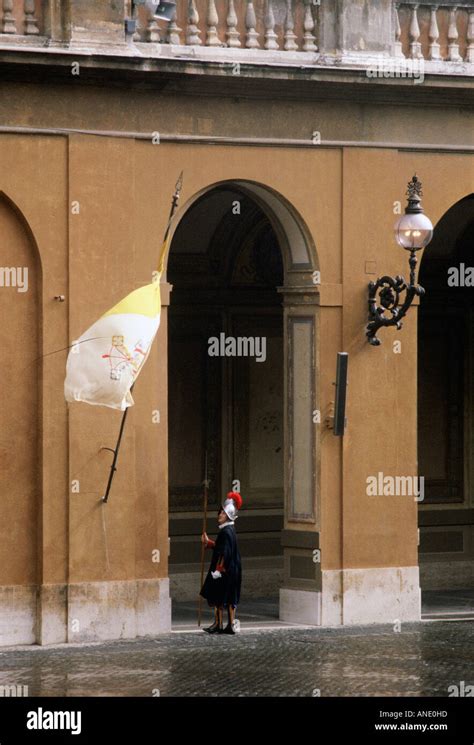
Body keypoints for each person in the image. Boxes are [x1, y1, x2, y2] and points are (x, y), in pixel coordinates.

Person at [200, 491, 242, 634]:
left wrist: (218, 569)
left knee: (221, 596)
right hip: (230, 569)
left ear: (229, 516)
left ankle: (224, 624)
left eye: (222, 513)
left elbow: (225, 552)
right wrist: (209, 543)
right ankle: (223, 624)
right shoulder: (228, 530)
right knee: (223, 595)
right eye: (220, 513)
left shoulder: (226, 531)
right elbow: (220, 547)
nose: (219, 515)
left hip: (225, 570)